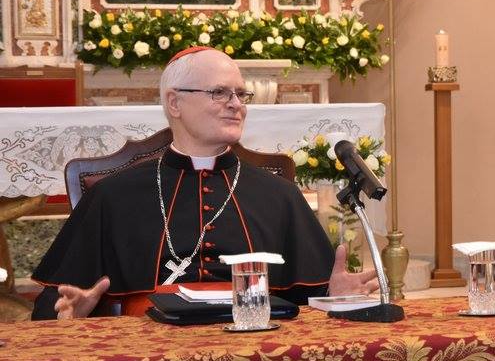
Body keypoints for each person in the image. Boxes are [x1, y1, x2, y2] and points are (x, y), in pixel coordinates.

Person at [31, 46, 378, 320]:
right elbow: (55, 304)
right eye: (219, 93)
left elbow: (304, 300)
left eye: (241, 94)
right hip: (149, 357)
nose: (236, 105)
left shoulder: (280, 195)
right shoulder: (113, 196)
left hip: (254, 351)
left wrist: (332, 295)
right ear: (174, 103)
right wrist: (73, 312)